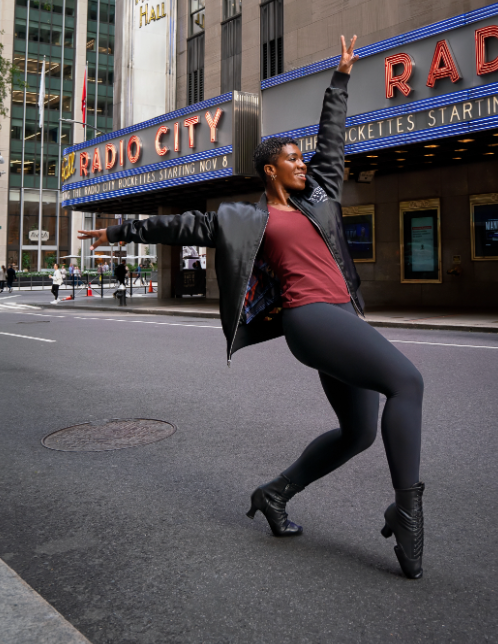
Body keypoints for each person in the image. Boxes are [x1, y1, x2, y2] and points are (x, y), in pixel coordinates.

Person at [78, 36, 425, 580]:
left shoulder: (321, 197)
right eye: (291, 159)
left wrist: (341, 80)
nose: (302, 164)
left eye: (301, 158)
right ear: (269, 170)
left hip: (342, 316)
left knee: (358, 432)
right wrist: (120, 229)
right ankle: (406, 514)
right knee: (408, 382)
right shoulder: (244, 219)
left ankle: (274, 494)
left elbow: (332, 142)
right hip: (308, 319)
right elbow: (181, 225)